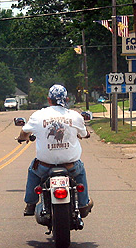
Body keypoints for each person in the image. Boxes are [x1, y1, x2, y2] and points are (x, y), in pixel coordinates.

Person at [17, 84, 93, 218]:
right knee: (80, 172)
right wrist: (85, 134)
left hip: (44, 167)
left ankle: (30, 204)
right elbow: (84, 133)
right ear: (67, 99)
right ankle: (83, 204)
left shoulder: (38, 115)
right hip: (70, 167)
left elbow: (24, 132)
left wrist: (22, 138)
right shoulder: (75, 116)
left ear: (49, 99)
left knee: (32, 171)